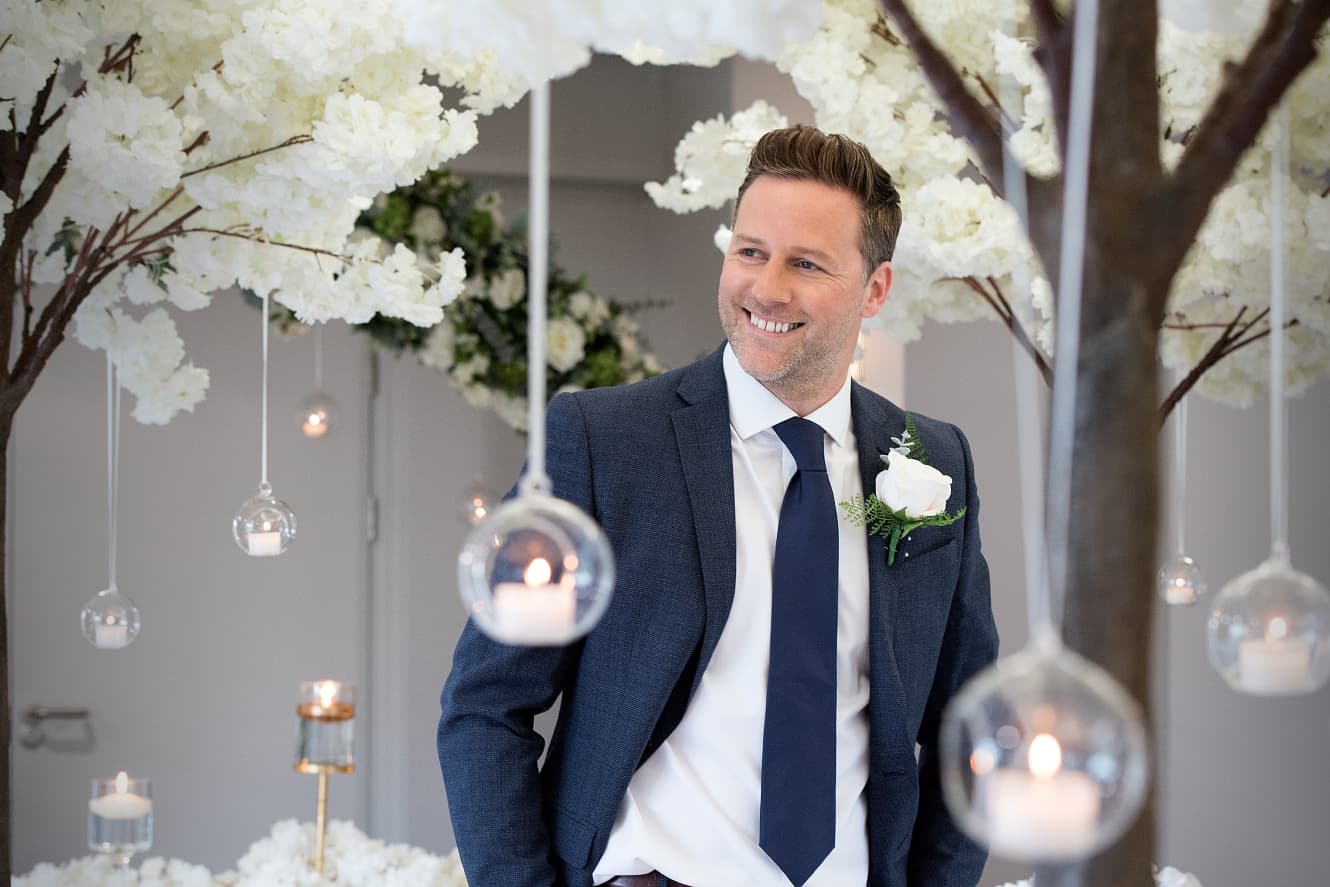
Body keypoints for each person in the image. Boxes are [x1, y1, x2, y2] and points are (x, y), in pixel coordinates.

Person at [438, 125, 998, 887]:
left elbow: (969, 728)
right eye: (750, 251)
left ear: (876, 289)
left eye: (806, 262)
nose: (767, 288)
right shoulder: (604, 441)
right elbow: (486, 701)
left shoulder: (936, 462)